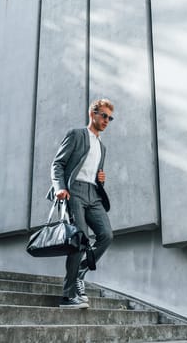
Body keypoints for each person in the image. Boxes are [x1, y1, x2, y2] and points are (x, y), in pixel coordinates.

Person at [47, 98, 115, 309]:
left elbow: (92, 172)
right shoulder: (77, 135)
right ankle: (68, 296)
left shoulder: (102, 148)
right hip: (73, 191)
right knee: (79, 239)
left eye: (110, 118)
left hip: (93, 194)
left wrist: (100, 179)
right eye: (103, 115)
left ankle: (81, 271)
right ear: (92, 114)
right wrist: (59, 187)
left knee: (106, 235)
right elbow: (57, 164)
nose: (106, 120)